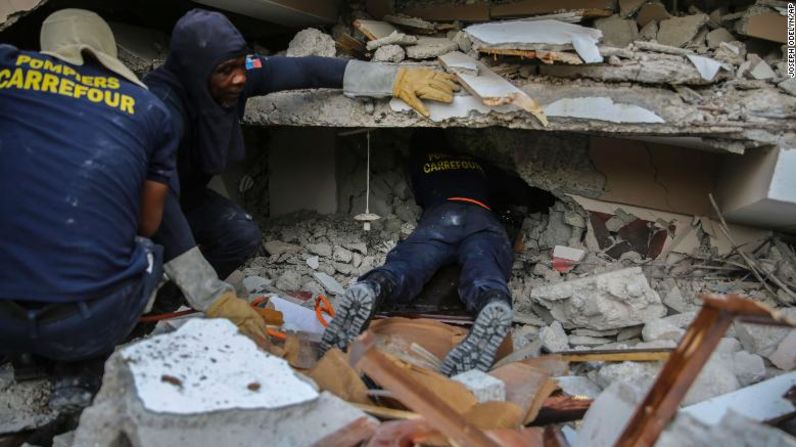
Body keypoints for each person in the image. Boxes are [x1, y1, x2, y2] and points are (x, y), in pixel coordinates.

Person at [142, 9, 459, 314]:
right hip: (142, 207)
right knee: (148, 263)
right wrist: (212, 296)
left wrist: (391, 79)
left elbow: (306, 70)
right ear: (194, 71)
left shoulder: (226, 74)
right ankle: (138, 307)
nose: (240, 78)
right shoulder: (161, 109)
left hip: (186, 195)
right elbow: (164, 210)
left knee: (240, 236)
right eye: (227, 71)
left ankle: (166, 304)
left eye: (240, 65)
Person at [0, 9, 181, 410]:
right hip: (83, 322)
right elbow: (149, 223)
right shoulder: (149, 109)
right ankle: (80, 369)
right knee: (149, 253)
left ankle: (23, 350)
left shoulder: (9, 68)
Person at [321, 129, 555, 376]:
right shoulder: (475, 163)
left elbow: (420, 196)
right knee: (485, 267)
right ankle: (492, 302)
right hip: (480, 216)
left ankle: (374, 287)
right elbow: (519, 190)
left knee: (408, 264)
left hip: (441, 217)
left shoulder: (419, 163)